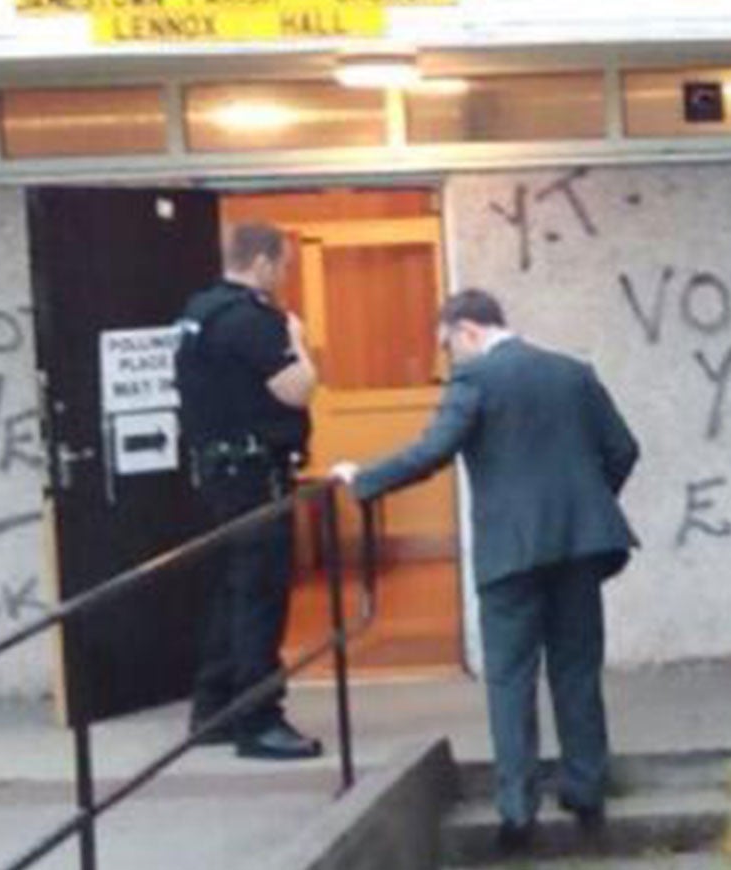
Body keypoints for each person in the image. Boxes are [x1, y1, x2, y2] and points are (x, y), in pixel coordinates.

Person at [334, 288, 639, 852]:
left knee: (510, 679)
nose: (451, 358)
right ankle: (586, 790)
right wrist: (584, 506)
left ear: (468, 329)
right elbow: (622, 449)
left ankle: (518, 810)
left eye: (449, 345)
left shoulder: (475, 381)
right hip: (579, 548)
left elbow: (432, 452)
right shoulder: (572, 373)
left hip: (510, 554)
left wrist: (364, 479)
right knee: (577, 668)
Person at [175, 222, 323, 761]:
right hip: (255, 476)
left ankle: (214, 708)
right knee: (259, 595)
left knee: (229, 591)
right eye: (283, 266)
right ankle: (259, 719)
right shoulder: (254, 320)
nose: (283, 277)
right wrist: (298, 340)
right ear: (261, 263)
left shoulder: (198, 312)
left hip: (216, 476)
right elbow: (296, 389)